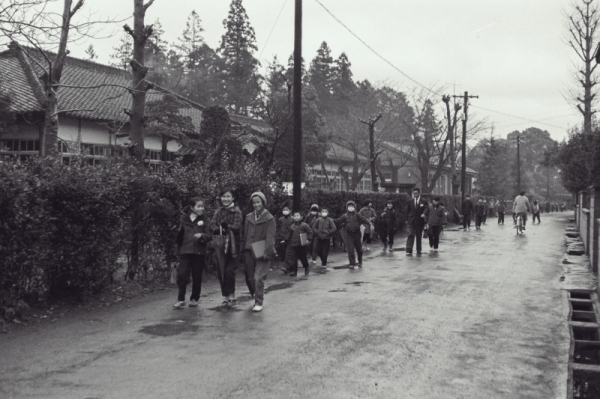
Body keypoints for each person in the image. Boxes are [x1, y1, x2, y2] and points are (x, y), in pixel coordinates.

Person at [173, 197, 212, 309]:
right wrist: (177, 252)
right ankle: (180, 299)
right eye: (198, 206)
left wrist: (202, 235)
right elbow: (179, 237)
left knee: (197, 276)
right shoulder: (184, 219)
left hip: (199, 252)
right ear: (191, 207)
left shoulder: (205, 219)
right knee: (182, 275)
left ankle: (194, 299)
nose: (201, 208)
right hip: (185, 251)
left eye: (202, 206)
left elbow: (209, 235)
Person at [210, 187, 243, 307]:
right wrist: (219, 229)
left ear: (233, 198)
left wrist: (226, 227)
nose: (226, 199)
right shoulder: (218, 211)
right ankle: (225, 296)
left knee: (229, 270)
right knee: (221, 271)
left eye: (228, 196)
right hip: (220, 244)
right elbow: (212, 224)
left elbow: (237, 226)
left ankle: (232, 295)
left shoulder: (237, 211)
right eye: (223, 196)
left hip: (233, 244)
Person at [242, 192, 275, 312]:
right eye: (254, 202)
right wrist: (244, 249)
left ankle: (259, 301)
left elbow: (270, 236)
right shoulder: (248, 217)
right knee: (249, 277)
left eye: (258, 202)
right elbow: (245, 234)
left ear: (263, 202)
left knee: (258, 278)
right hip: (249, 250)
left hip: (262, 251)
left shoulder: (269, 218)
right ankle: (255, 294)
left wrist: (268, 252)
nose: (256, 204)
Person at [334, 201, 370, 268]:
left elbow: (363, 219)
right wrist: (330, 219)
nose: (351, 208)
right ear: (347, 208)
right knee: (350, 249)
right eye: (349, 206)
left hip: (357, 233)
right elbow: (338, 221)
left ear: (354, 207)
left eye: (352, 206)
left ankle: (360, 261)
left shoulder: (357, 215)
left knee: (359, 249)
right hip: (349, 234)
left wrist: (369, 222)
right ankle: (352, 263)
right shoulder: (344, 216)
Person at [286, 211, 313, 276]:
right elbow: (289, 235)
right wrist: (285, 240)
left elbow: (310, 232)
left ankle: (306, 267)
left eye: (297, 215)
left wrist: (308, 239)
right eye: (295, 216)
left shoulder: (305, 225)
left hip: (302, 245)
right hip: (293, 244)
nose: (296, 217)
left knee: (303, 258)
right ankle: (294, 271)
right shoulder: (292, 226)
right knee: (293, 258)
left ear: (301, 217)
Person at [405, 187, 428, 255]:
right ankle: (409, 248)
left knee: (418, 235)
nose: (415, 194)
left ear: (419, 193)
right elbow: (407, 211)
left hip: (420, 220)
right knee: (410, 234)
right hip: (411, 220)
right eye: (414, 193)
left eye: (416, 193)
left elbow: (426, 208)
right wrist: (406, 219)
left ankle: (418, 249)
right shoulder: (410, 201)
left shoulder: (424, 201)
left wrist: (424, 214)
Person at [277, 204, 294, 272]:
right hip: (282, 238)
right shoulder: (280, 219)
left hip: (289, 239)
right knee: (283, 254)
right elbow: (278, 228)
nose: (285, 211)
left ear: (290, 211)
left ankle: (286, 267)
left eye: (287, 210)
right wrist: (278, 236)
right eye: (284, 210)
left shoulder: (292, 219)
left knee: (288, 253)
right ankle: (289, 266)